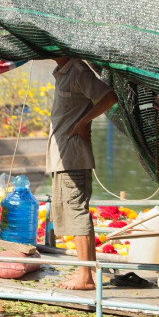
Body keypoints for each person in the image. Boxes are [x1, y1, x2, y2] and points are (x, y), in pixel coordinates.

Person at [47, 57, 117, 290]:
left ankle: (85, 275)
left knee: (77, 211)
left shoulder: (77, 70)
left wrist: (84, 123)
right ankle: (86, 272)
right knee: (69, 212)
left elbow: (109, 97)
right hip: (62, 157)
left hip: (74, 154)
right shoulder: (61, 72)